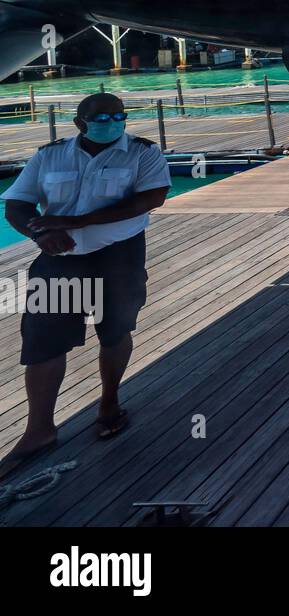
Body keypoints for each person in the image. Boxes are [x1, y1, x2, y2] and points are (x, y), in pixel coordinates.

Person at [0, 92, 171, 478]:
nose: (110, 123)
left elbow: (152, 198)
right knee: (43, 341)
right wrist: (38, 235)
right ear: (80, 122)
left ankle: (109, 401)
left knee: (114, 331)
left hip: (118, 255)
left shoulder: (143, 153)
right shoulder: (49, 155)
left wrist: (79, 222)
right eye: (100, 118)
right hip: (59, 259)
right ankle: (38, 430)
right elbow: (17, 204)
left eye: (117, 117)